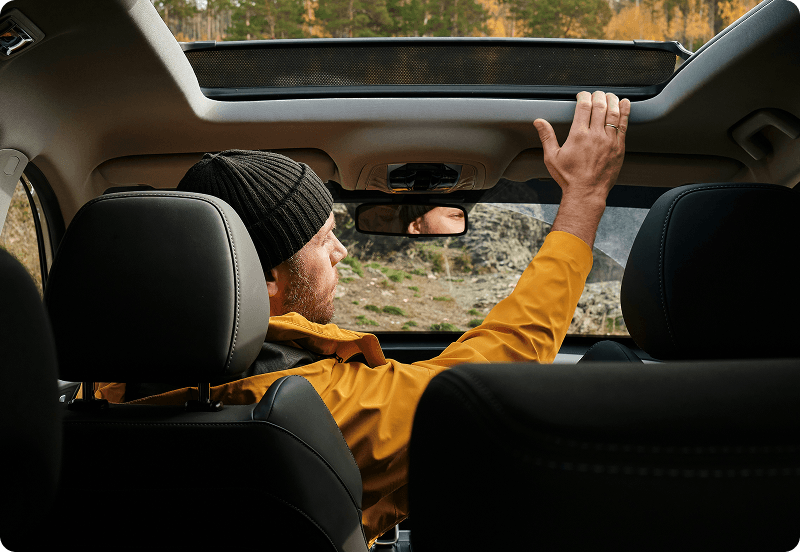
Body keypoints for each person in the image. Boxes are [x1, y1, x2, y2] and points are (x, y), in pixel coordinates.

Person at [94, 91, 630, 547]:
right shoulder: (317, 406)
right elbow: (503, 362)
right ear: (269, 279)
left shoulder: (93, 401)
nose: (341, 253)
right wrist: (584, 197)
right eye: (325, 239)